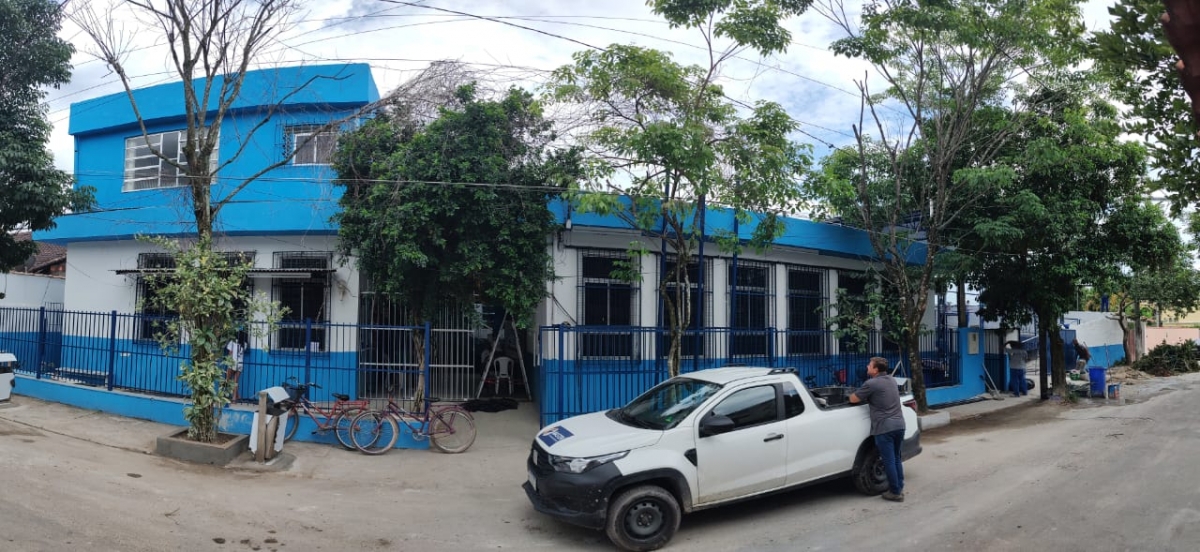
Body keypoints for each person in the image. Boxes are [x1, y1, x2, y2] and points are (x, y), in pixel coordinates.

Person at [849, 357, 906, 502]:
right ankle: (899, 486)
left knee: (889, 460)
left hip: (884, 427)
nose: (867, 367)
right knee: (896, 458)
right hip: (899, 425)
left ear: (875, 369)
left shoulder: (872, 383)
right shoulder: (891, 380)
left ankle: (895, 492)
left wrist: (852, 394)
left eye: (869, 365)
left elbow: (853, 399)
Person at [225, 330, 247, 403]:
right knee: (235, 382)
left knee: (227, 379)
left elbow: (230, 353)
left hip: (232, 363)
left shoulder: (232, 342)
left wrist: (228, 361)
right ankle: (235, 397)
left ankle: (224, 395)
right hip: (240, 364)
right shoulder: (244, 344)